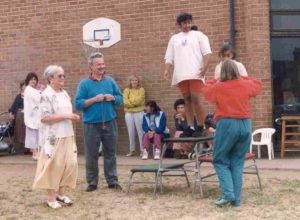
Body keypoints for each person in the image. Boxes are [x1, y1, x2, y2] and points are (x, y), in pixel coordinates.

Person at [202, 60, 262, 207]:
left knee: (220, 160)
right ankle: (236, 199)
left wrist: (216, 79)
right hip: (246, 124)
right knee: (237, 161)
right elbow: (258, 85)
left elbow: (206, 90)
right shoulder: (246, 84)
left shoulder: (218, 86)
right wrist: (244, 77)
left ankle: (228, 194)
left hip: (227, 124)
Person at [32, 65, 80, 209]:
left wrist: (72, 117)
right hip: (53, 137)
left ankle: (61, 193)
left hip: (68, 134)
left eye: (63, 76)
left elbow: (66, 111)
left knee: (69, 164)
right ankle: (51, 197)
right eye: (60, 76)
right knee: (53, 166)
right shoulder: (46, 94)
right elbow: (45, 117)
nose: (63, 78)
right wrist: (66, 116)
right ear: (51, 78)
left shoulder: (64, 93)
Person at [75, 52, 123, 192]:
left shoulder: (110, 81)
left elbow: (121, 98)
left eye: (103, 63)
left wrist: (113, 98)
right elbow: (78, 104)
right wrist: (93, 100)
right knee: (91, 154)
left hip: (110, 122)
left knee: (110, 152)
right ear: (91, 66)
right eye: (99, 64)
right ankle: (92, 182)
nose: (102, 66)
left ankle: (112, 180)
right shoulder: (84, 84)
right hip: (91, 124)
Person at [164, 12, 212, 137]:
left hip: (195, 72)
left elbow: (207, 53)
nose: (187, 25)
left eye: (189, 22)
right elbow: (169, 57)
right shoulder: (174, 38)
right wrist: (167, 70)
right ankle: (191, 126)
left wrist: (205, 68)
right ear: (179, 24)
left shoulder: (199, 35)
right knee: (187, 100)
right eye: (184, 23)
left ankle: (201, 125)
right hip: (181, 74)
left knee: (196, 98)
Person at [123, 74, 145, 157]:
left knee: (140, 131)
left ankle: (143, 150)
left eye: (136, 80)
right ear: (130, 81)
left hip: (139, 112)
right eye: (132, 80)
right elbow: (125, 101)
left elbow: (140, 100)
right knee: (130, 131)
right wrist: (133, 104)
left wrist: (130, 103)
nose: (134, 82)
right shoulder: (126, 90)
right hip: (129, 113)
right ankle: (132, 150)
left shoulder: (141, 89)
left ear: (138, 81)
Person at [24, 72, 41, 160]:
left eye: (35, 79)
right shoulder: (28, 89)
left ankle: (37, 151)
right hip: (31, 116)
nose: (33, 81)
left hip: (36, 116)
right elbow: (38, 98)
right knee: (32, 134)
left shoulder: (34, 90)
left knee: (37, 134)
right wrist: (41, 92)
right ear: (28, 80)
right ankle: (34, 152)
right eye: (31, 79)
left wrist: (40, 91)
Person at [8, 81, 26, 147]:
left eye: (26, 85)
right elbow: (13, 106)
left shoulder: (30, 96)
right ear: (21, 87)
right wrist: (10, 113)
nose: (25, 87)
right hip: (18, 117)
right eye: (24, 86)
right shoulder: (18, 96)